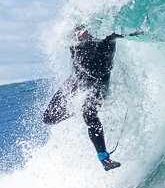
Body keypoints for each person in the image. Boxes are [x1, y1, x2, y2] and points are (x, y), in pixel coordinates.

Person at [43, 24, 143, 170]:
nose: (80, 35)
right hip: (77, 81)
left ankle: (104, 158)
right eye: (78, 32)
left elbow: (125, 32)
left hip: (99, 84)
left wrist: (139, 32)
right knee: (49, 118)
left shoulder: (106, 38)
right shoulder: (73, 41)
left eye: (83, 32)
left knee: (89, 114)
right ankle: (76, 108)